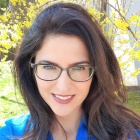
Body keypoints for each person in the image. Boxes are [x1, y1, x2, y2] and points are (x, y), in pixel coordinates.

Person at [0, 2, 140, 140]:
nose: (63, 86)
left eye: (78, 68)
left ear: (97, 72)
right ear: (30, 68)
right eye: (49, 67)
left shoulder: (128, 135)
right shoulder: (10, 134)